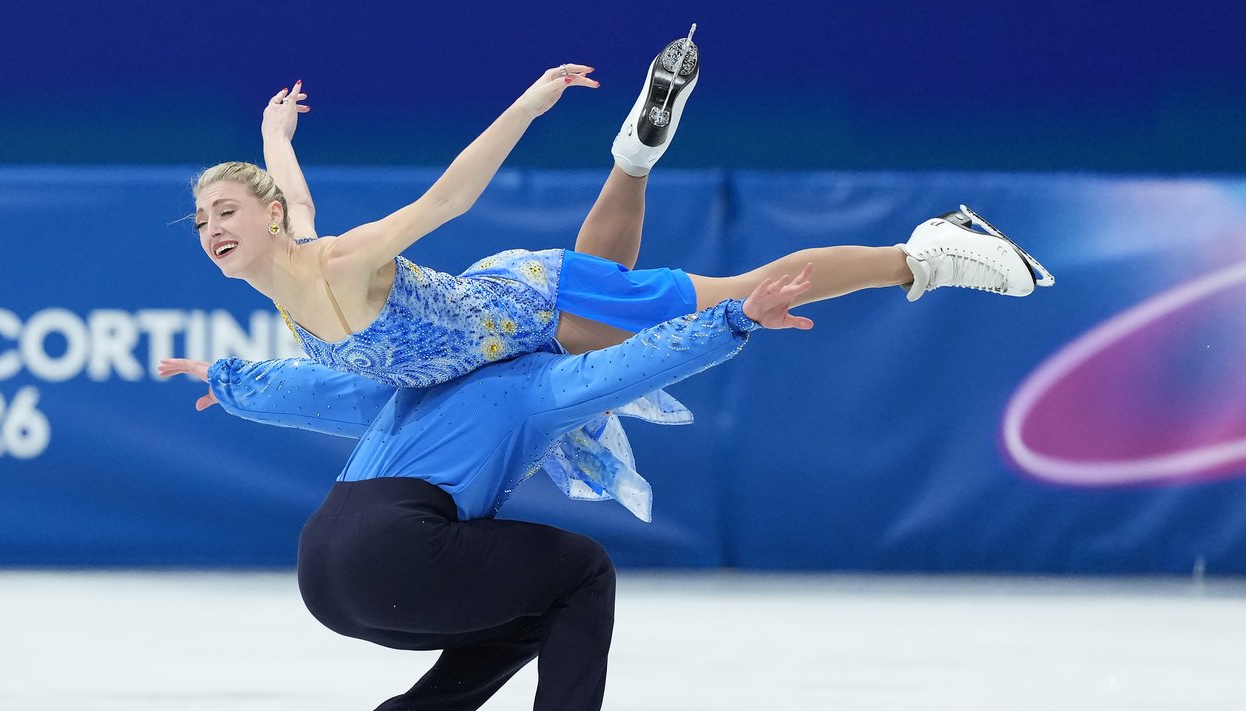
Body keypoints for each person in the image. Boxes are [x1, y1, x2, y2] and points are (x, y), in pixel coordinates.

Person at [161, 265, 815, 711]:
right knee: (583, 570)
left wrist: (231, 382)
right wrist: (735, 319)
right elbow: (635, 365)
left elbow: (327, 391)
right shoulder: (540, 379)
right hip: (402, 552)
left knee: (537, 603)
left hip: (325, 564)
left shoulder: (431, 375)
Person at [190, 31, 1053, 390]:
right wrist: (275, 132)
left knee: (743, 294)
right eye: (201, 221)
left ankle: (928, 251)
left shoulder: (339, 260)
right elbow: (289, 191)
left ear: (264, 218)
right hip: (518, 312)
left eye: (225, 211)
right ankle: (635, 157)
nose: (212, 229)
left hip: (530, 309)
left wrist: (530, 104)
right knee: (619, 287)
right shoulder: (283, 262)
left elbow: (451, 195)